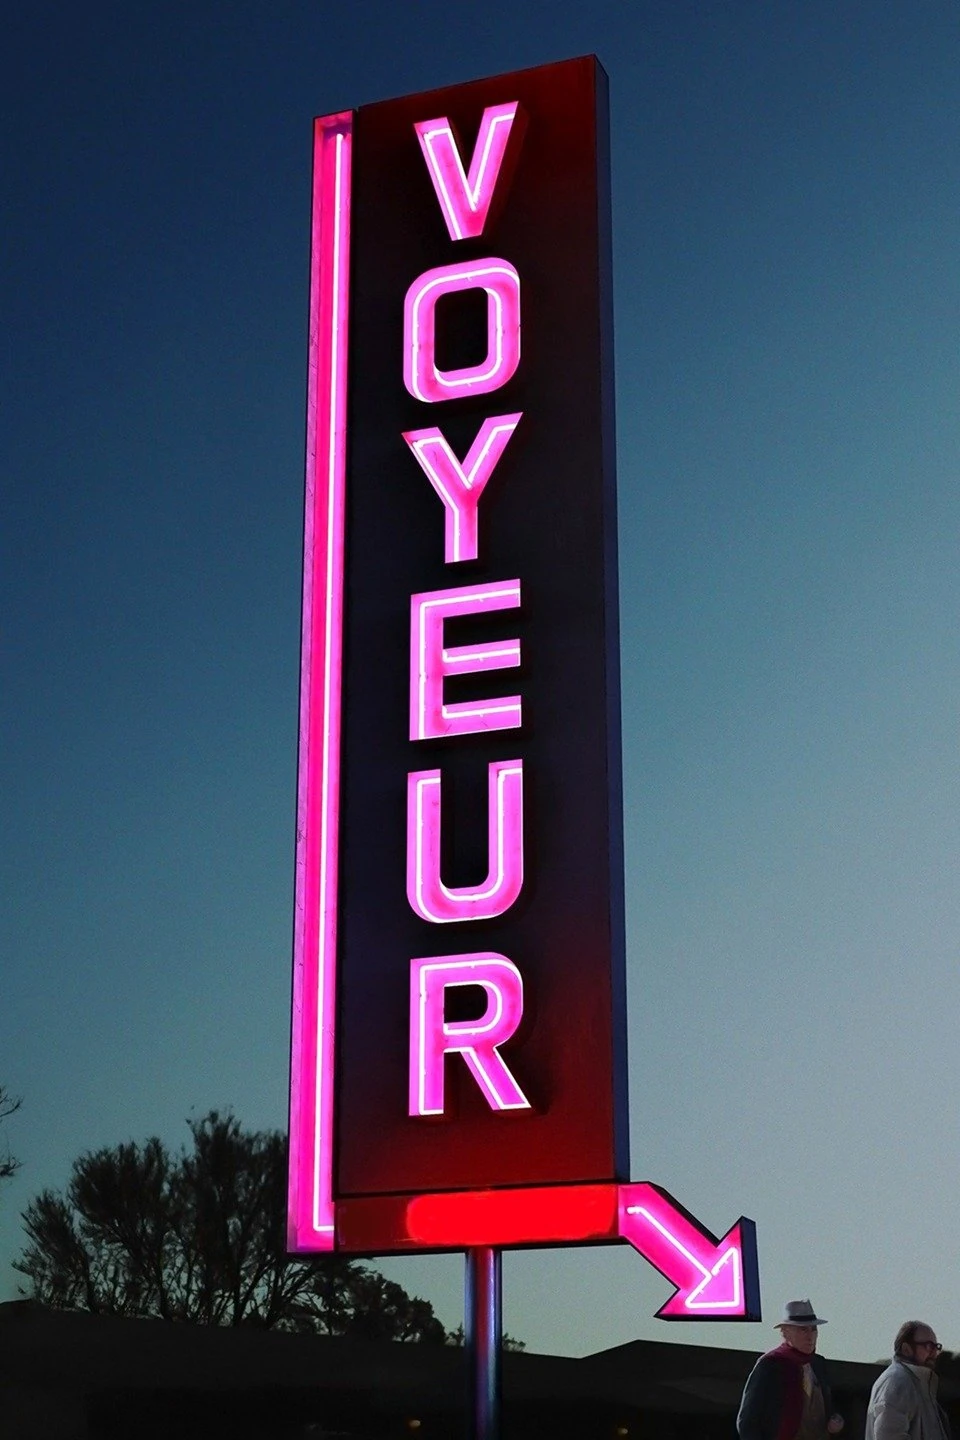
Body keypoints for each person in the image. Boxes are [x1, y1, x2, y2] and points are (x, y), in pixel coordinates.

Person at [737, 1299, 845, 1440]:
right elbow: (747, 1421)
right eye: (803, 1329)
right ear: (785, 1332)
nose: (810, 1336)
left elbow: (829, 1407)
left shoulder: (818, 1364)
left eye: (813, 1329)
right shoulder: (770, 1365)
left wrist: (836, 1421)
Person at [865, 1321, 951, 1440]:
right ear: (906, 1349)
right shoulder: (897, 1381)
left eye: (936, 1347)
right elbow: (889, 1436)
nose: (934, 1352)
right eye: (928, 1345)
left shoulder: (919, 1382)